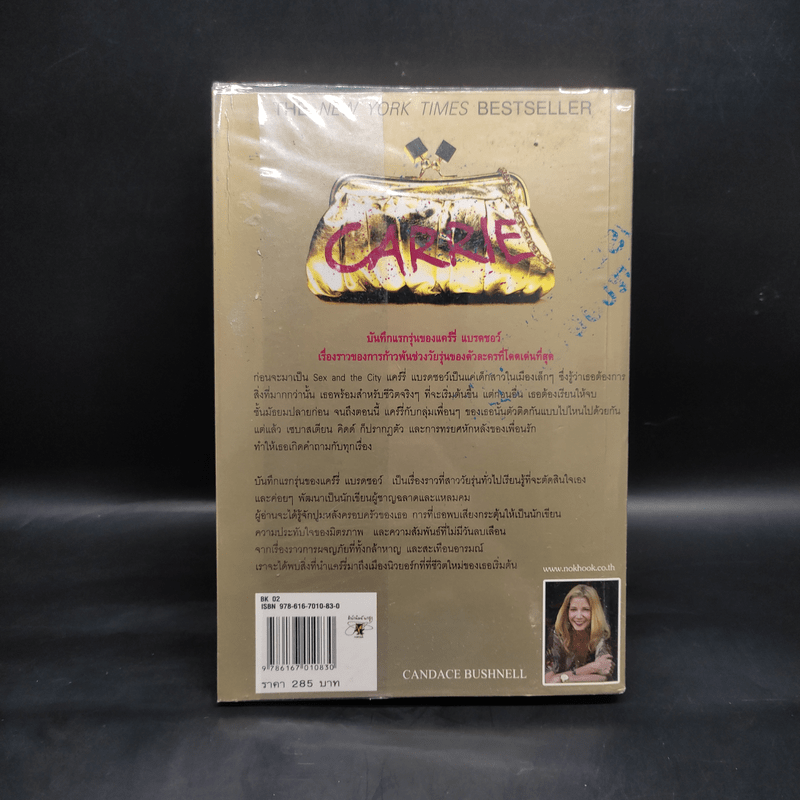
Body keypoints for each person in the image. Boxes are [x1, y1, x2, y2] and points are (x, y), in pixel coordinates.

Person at [545, 584, 615, 683]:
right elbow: (549, 680)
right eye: (573, 609)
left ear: (594, 612)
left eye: (585, 610)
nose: (578, 616)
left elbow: (603, 677)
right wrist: (592, 668)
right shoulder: (558, 633)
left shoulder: (602, 633)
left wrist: (562, 679)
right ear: (567, 611)